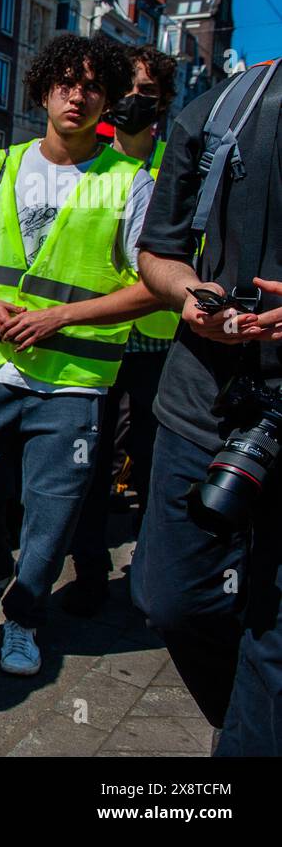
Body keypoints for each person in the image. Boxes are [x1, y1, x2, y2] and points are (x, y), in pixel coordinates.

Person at [0, 34, 159, 677]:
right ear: (43, 89)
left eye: (93, 84)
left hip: (74, 380)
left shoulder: (130, 182)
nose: (78, 93)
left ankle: (27, 617)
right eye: (65, 81)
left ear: (109, 98)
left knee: (55, 506)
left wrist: (61, 315)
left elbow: (153, 287)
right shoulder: (0, 166)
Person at [132, 57, 282, 754]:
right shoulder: (226, 106)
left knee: (273, 640)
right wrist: (188, 294)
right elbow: (158, 252)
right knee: (170, 594)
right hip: (204, 401)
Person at [64, 44, 179, 616]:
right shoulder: (94, 166)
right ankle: (88, 571)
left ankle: (153, 568)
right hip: (98, 336)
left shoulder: (178, 169)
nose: (135, 102)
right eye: (127, 90)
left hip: (159, 342)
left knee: (155, 459)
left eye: (148, 95)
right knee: (89, 457)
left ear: (162, 105)